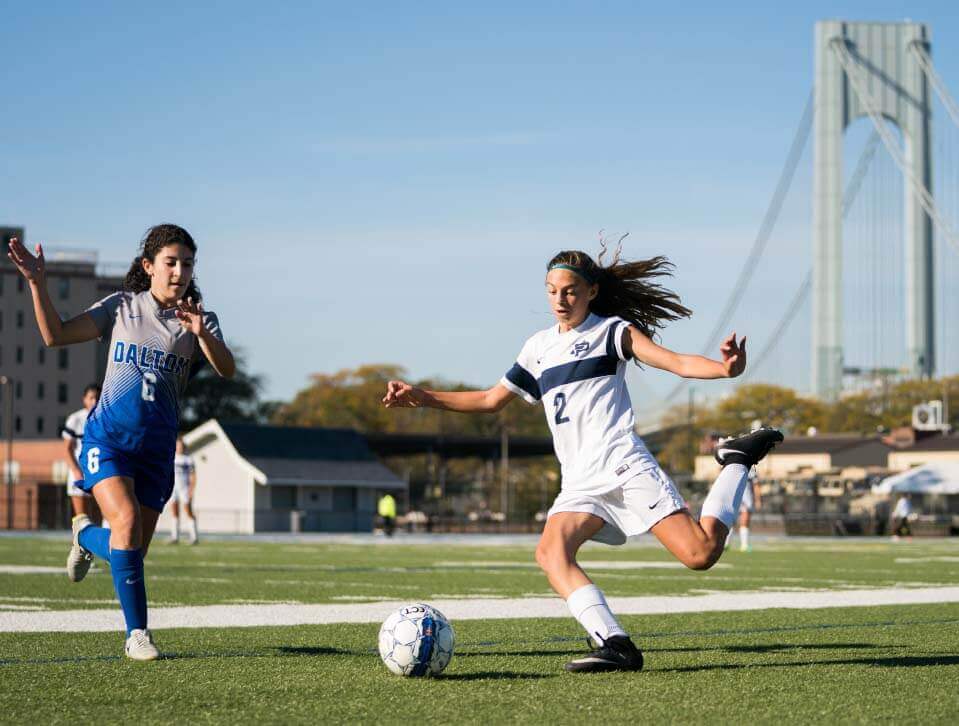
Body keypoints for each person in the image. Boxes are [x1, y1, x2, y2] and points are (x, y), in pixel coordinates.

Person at [382, 247, 783, 673]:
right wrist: (423, 398)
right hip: (579, 482)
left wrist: (726, 370)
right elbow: (489, 399)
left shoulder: (614, 332)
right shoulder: (537, 348)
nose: (560, 299)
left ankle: (736, 461)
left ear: (591, 291)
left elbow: (678, 362)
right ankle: (615, 643)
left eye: (570, 291)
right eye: (552, 291)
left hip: (624, 466)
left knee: (700, 554)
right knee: (551, 553)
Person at [8, 225, 235, 661]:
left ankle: (83, 536)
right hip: (108, 439)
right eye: (171, 262)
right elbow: (54, 336)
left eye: (187, 264)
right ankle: (137, 635)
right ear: (148, 266)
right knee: (127, 523)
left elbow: (226, 369)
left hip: (156, 451)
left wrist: (202, 332)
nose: (180, 272)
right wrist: (37, 283)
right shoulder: (121, 307)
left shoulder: (200, 320)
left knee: (128, 550)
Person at [62, 384, 102, 520]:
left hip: (100, 472)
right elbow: (67, 449)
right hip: (80, 472)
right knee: (82, 518)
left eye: (97, 398)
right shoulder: (76, 419)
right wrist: (76, 472)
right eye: (91, 398)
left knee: (102, 518)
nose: (94, 401)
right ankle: (79, 541)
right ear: (84, 399)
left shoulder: (106, 419)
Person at [169, 437, 198, 545]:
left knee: (188, 510)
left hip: (184, 488)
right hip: (173, 488)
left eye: (181, 445)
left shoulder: (188, 459)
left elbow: (193, 476)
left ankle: (194, 536)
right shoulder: (172, 458)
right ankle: (175, 537)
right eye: (177, 445)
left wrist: (191, 489)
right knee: (174, 511)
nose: (179, 447)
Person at [736, 467, 761, 552]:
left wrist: (758, 500)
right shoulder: (731, 466)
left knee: (745, 519)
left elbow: (756, 485)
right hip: (733, 497)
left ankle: (744, 545)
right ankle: (726, 544)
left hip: (745, 499)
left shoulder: (750, 470)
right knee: (730, 521)